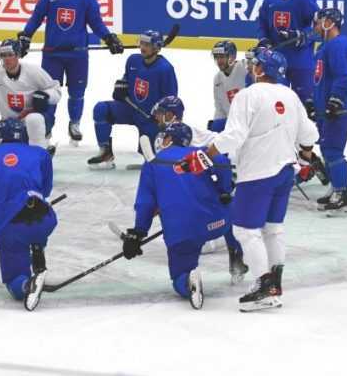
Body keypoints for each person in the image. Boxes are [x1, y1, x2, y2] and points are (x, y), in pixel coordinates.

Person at [179, 48, 319, 312]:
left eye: (255, 63)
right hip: (285, 173)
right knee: (273, 228)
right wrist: (305, 159)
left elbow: (233, 137)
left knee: (244, 230)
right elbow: (309, 133)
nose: (251, 66)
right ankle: (274, 284)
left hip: (257, 174)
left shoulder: (248, 95)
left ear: (261, 69)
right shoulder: (290, 95)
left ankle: (264, 287)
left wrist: (204, 157)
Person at [121, 123, 235, 309]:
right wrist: (224, 189)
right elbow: (221, 160)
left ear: (167, 139)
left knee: (179, 273)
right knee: (232, 209)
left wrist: (138, 233)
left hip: (181, 230)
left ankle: (188, 281)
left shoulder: (153, 164)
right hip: (216, 221)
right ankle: (236, 252)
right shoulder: (198, 153)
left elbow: (145, 203)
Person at [17, 0, 124, 145]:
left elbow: (96, 23)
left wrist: (109, 38)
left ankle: (74, 124)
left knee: (77, 93)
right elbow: (35, 18)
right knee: (50, 93)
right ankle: (47, 126)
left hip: (78, 56)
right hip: (52, 55)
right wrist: (26, 36)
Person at [150, 96, 248, 281]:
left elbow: (221, 157)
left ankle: (235, 254)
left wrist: (225, 188)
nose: (156, 117)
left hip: (229, 169)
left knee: (223, 206)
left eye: (160, 114)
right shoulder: (168, 135)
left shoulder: (185, 136)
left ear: (170, 115)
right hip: (215, 171)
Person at [0, 118, 58, 310]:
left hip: (12, 223)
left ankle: (27, 284)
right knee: (35, 227)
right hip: (44, 215)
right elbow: (45, 189)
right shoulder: (41, 154)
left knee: (15, 282)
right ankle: (37, 248)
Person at [88, 30, 178, 169]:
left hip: (151, 118)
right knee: (101, 109)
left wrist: (161, 118)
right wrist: (121, 87)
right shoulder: (133, 60)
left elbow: (172, 100)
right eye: (141, 43)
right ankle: (105, 152)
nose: (143, 47)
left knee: (152, 160)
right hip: (130, 109)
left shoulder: (165, 69)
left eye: (147, 44)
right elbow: (127, 80)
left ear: (156, 47)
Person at [0, 39, 61, 153]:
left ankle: (40, 153)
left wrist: (46, 95)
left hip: (38, 119)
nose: (6, 59)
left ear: (18, 55)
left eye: (10, 55)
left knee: (34, 119)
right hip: (11, 123)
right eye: (3, 55)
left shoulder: (33, 71)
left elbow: (56, 90)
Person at [310, 8, 347, 215]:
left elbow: (345, 76)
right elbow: (321, 77)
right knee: (326, 148)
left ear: (329, 22)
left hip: (337, 109)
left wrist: (335, 101)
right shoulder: (326, 46)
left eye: (318, 22)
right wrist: (314, 100)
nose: (315, 26)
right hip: (326, 107)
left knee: (333, 151)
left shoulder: (338, 45)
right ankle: (335, 189)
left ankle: (342, 196)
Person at [256, 0, 320, 106]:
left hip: (301, 62)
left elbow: (318, 28)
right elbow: (262, 24)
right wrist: (264, 39)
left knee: (305, 105)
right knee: (278, 104)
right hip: (276, 62)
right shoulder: (269, 0)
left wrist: (300, 36)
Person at [208, 40, 246, 133]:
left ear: (232, 57)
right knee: (215, 127)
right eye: (216, 57)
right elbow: (219, 108)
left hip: (249, 121)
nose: (219, 61)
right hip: (232, 123)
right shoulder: (218, 79)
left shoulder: (245, 68)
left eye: (222, 57)